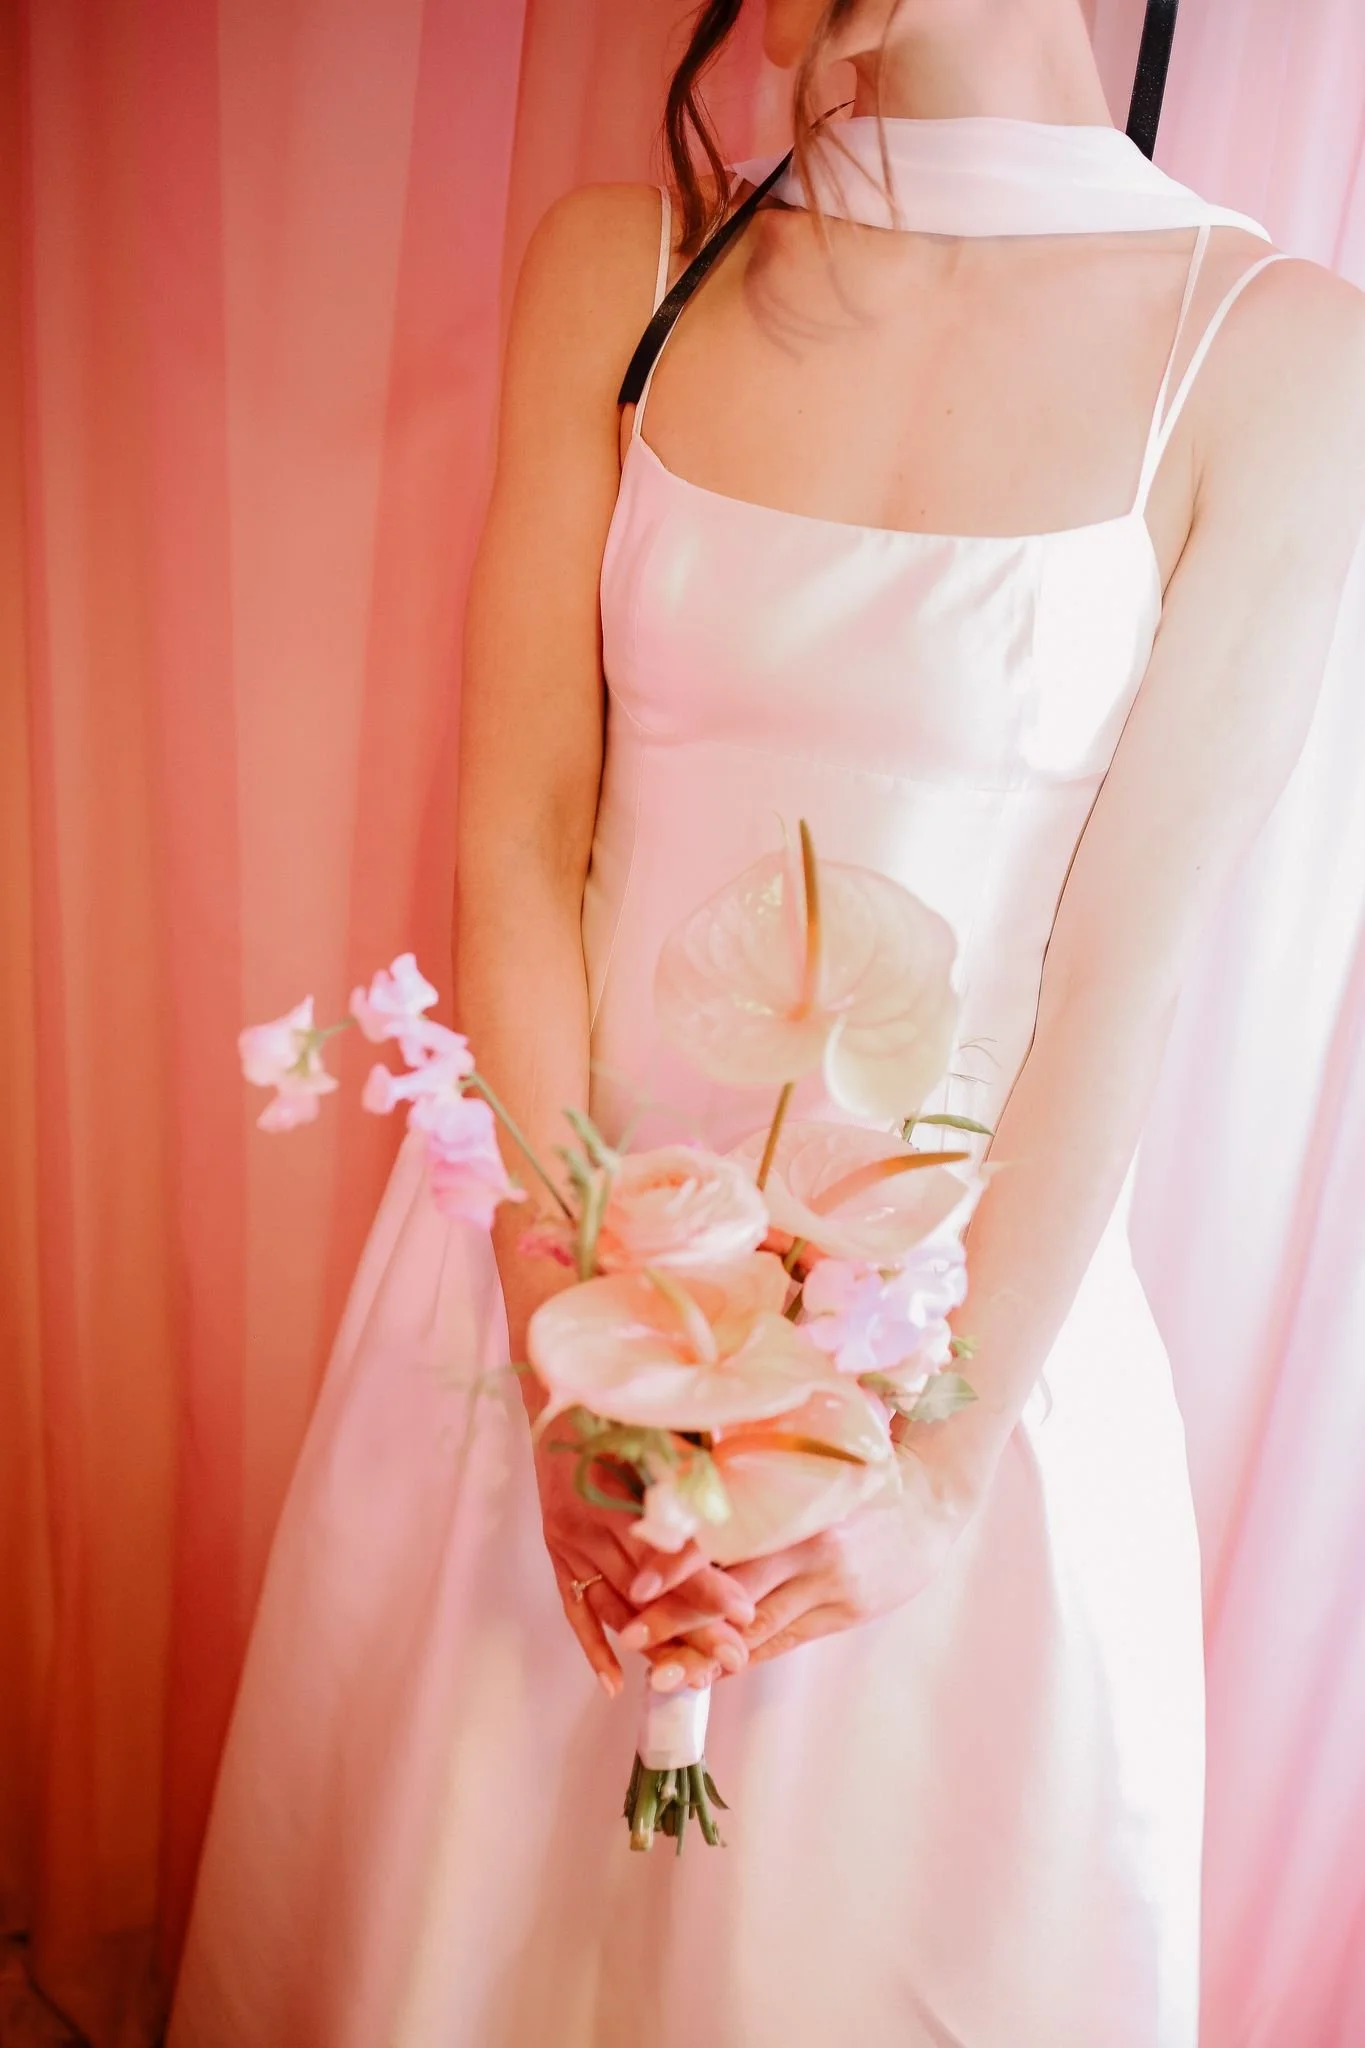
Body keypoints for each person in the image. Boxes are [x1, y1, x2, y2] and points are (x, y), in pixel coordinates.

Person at [170, 2, 1365, 2043]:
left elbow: (1119, 983)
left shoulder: (1278, 357)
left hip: (945, 1360)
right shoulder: (618, 268)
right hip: (546, 1297)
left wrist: (937, 1469)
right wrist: (563, 1340)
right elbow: (526, 834)